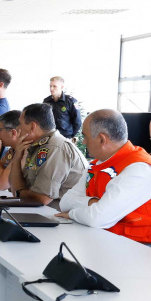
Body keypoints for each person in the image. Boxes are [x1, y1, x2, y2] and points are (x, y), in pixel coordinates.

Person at [57, 109, 151, 243]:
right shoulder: (97, 164)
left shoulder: (139, 168)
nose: (83, 142)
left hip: (137, 249)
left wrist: (72, 214)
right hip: (103, 242)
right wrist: (93, 203)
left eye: (86, 137)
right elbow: (65, 202)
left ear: (102, 139)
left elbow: (96, 218)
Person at [9, 103, 87, 209]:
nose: (17, 128)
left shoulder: (54, 147)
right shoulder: (38, 146)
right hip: (42, 213)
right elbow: (15, 188)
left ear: (32, 126)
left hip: (59, 219)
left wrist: (20, 193)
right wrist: (17, 156)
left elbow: (41, 198)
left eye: (20, 124)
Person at [43, 76, 81, 140]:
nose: (51, 89)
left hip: (65, 137)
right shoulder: (46, 101)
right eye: (50, 86)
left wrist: (70, 136)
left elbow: (77, 122)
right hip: (50, 137)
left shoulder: (70, 101)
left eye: (54, 86)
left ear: (62, 87)